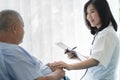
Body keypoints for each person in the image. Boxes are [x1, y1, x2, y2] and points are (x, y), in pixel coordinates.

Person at [50, 0, 120, 80]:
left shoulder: (107, 34)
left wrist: (69, 66)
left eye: (92, 12)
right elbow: (98, 59)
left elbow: (95, 61)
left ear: (102, 11)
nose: (88, 17)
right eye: (87, 13)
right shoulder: (103, 33)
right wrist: (76, 56)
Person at [0, 10, 65, 80]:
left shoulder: (4, 49)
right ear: (14, 28)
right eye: (22, 27)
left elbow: (24, 71)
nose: (24, 31)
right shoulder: (12, 52)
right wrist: (58, 73)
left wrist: (46, 68)